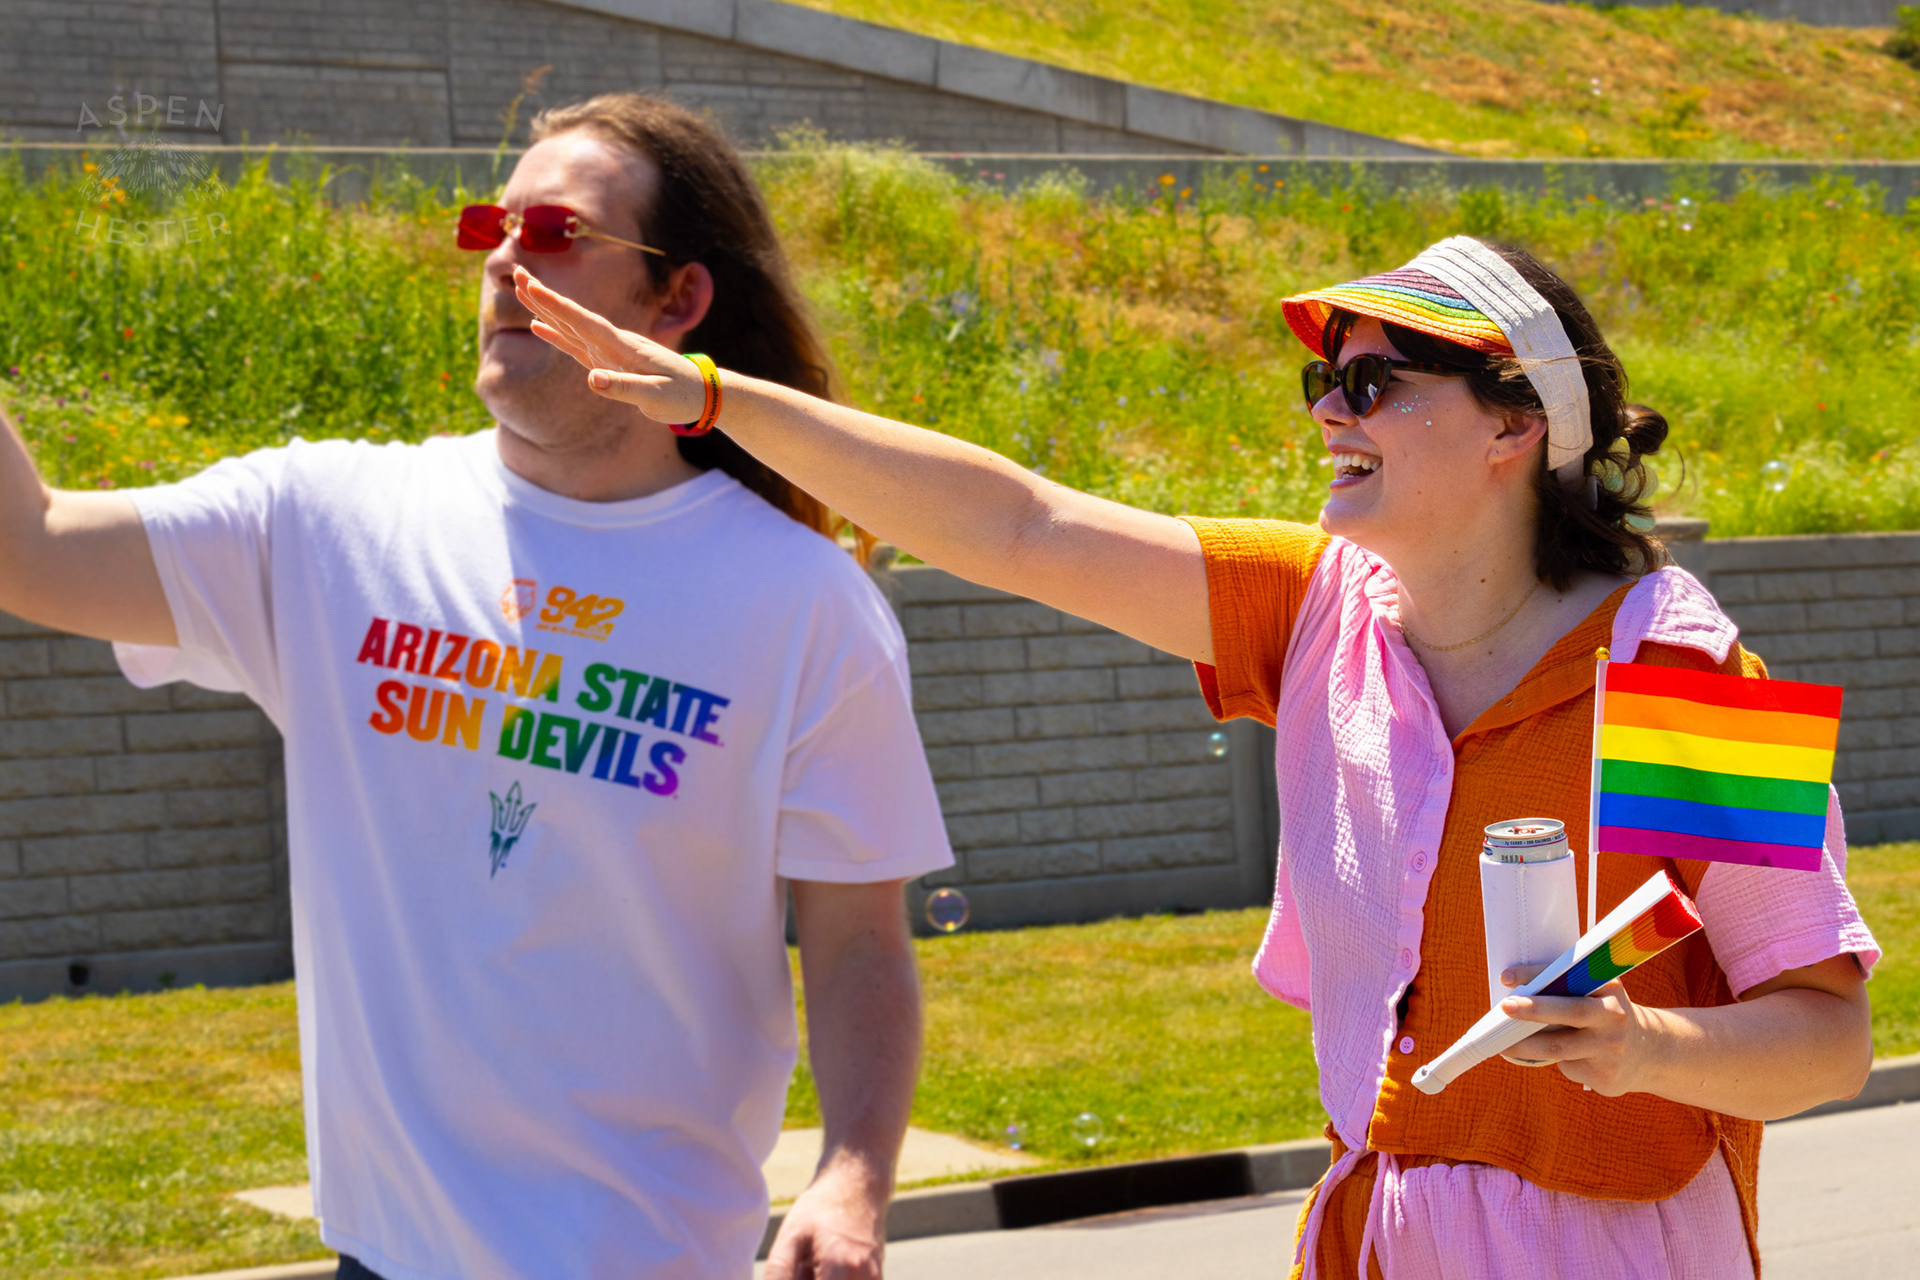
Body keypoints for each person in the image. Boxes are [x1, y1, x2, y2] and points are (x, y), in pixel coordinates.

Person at [511, 234, 1879, 1278]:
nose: (1327, 415)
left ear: (1514, 425)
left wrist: (1641, 1046)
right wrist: (709, 397)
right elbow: (1020, 526)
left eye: (1372, 382)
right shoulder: (1319, 605)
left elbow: (1827, 1043)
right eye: (1320, 381)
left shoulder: (1686, 678)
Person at [0, 94, 953, 1280]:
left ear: (679, 299)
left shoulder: (805, 603)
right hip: (380, 1259)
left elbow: (860, 940)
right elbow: (27, 546)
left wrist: (851, 1176)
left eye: (555, 232)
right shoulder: (325, 523)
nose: (504, 258)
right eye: (487, 228)